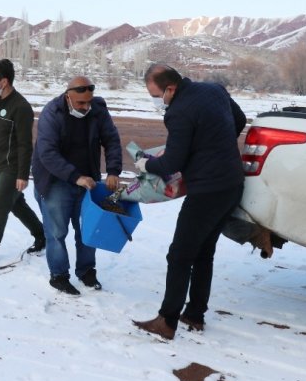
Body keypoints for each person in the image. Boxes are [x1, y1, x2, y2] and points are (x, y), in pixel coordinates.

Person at [133, 63, 246, 340]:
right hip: (232, 183)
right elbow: (240, 120)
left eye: (157, 96)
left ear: (170, 88)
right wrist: (215, 148)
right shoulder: (213, 90)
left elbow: (172, 162)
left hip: (207, 191)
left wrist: (146, 165)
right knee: (204, 251)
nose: (158, 102)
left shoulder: (179, 113)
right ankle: (195, 314)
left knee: (180, 255)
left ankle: (167, 320)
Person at [31, 76, 122, 295]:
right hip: (55, 180)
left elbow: (111, 139)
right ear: (68, 96)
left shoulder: (98, 110)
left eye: (88, 102)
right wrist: (75, 176)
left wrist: (112, 171)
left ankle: (87, 271)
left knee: (88, 229)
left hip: (88, 179)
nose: (85, 107)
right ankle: (59, 275)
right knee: (56, 231)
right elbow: (47, 153)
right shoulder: (52, 113)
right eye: (80, 103)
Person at [0, 59, 45, 265]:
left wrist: (22, 174)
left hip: (13, 167)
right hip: (0, 164)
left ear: (3, 81)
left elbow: (25, 144)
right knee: (16, 204)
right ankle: (41, 234)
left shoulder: (20, 107)